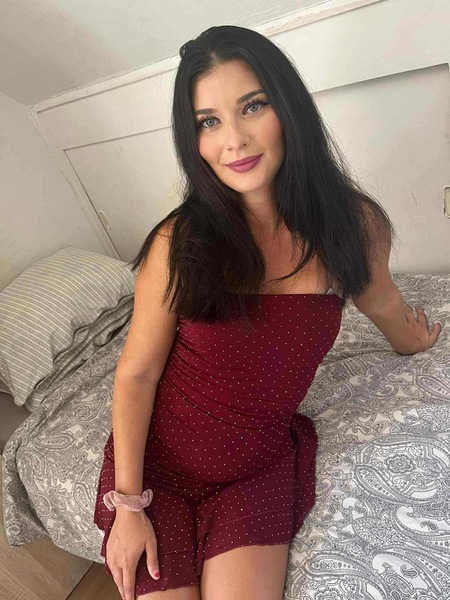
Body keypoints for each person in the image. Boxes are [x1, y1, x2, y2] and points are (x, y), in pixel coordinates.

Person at [93, 25, 441, 600]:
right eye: (209, 121)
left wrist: (413, 341)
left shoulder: (353, 227)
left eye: (252, 106)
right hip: (157, 472)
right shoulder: (178, 243)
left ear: (288, 107)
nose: (234, 140)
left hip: (256, 469)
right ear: (193, 140)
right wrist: (128, 506)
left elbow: (380, 299)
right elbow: (136, 373)